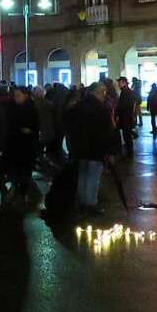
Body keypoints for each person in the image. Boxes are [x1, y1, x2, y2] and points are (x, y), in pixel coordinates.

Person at [65, 83, 112, 214]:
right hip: (95, 149)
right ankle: (90, 204)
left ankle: (83, 202)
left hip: (79, 149)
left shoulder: (78, 107)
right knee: (93, 176)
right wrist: (108, 148)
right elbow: (106, 130)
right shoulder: (101, 109)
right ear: (95, 93)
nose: (104, 95)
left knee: (83, 175)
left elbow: (68, 122)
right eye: (102, 92)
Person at [3, 86, 39, 203]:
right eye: (15, 96)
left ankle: (21, 193)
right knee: (20, 170)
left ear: (26, 95)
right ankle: (20, 192)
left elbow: (32, 127)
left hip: (26, 146)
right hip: (19, 145)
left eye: (18, 96)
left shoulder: (30, 108)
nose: (16, 98)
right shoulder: (15, 107)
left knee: (23, 170)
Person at [32, 86, 57, 158]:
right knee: (49, 150)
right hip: (49, 130)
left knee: (39, 150)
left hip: (38, 131)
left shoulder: (32, 104)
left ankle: (40, 162)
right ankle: (48, 162)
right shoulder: (49, 104)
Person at [116, 77, 137, 159]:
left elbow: (124, 105)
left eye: (120, 82)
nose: (118, 84)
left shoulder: (126, 92)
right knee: (127, 135)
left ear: (124, 83)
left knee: (127, 136)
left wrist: (118, 112)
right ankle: (129, 152)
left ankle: (129, 153)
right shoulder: (126, 92)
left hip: (126, 117)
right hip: (126, 117)